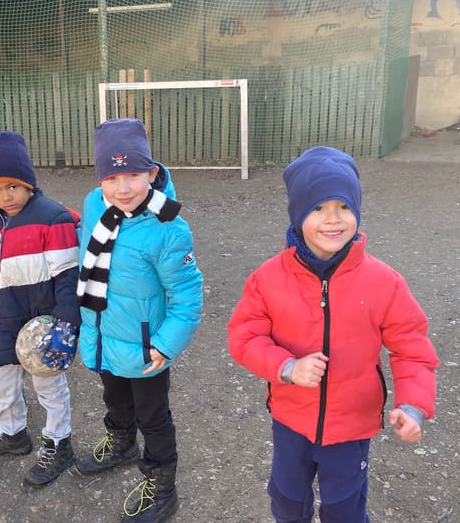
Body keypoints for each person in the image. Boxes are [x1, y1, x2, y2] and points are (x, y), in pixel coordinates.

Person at [227, 146, 439, 523]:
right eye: (318, 208)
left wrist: (414, 405)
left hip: (352, 425)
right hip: (291, 420)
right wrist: (287, 367)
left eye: (344, 206)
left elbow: (413, 349)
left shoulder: (383, 282)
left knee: (345, 507)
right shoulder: (267, 279)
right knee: (288, 497)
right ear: (297, 214)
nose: (333, 220)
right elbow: (244, 339)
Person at [73, 118, 204, 523]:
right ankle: (121, 442)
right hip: (102, 334)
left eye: (134, 174)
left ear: (152, 173)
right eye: (112, 177)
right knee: (114, 398)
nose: (123, 188)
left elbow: (187, 298)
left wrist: (165, 344)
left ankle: (162, 484)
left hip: (147, 347)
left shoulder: (168, 228)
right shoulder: (95, 203)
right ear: (100, 179)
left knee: (154, 416)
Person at [0, 131, 81, 488]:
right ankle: (12, 433)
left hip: (38, 330)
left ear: (28, 182)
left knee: (49, 388)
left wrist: (65, 325)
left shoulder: (53, 218)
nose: (4, 196)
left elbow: (67, 278)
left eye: (12, 186)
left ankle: (59, 443)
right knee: (3, 384)